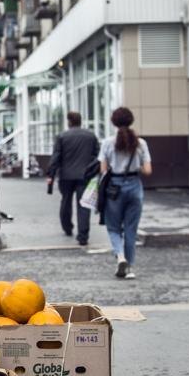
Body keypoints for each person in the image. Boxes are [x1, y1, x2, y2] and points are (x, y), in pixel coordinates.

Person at [99, 107, 152, 279]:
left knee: (113, 227)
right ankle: (129, 267)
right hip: (135, 186)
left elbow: (103, 169)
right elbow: (148, 170)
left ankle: (120, 256)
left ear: (113, 122)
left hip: (114, 187)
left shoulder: (108, 143)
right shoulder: (141, 143)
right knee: (131, 228)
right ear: (131, 120)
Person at [46, 111, 99, 246]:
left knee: (65, 202)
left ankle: (67, 227)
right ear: (80, 121)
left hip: (66, 176)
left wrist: (50, 175)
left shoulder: (62, 136)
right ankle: (83, 236)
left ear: (69, 121)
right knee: (83, 205)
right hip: (85, 176)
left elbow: (56, 157)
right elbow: (96, 156)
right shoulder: (90, 136)